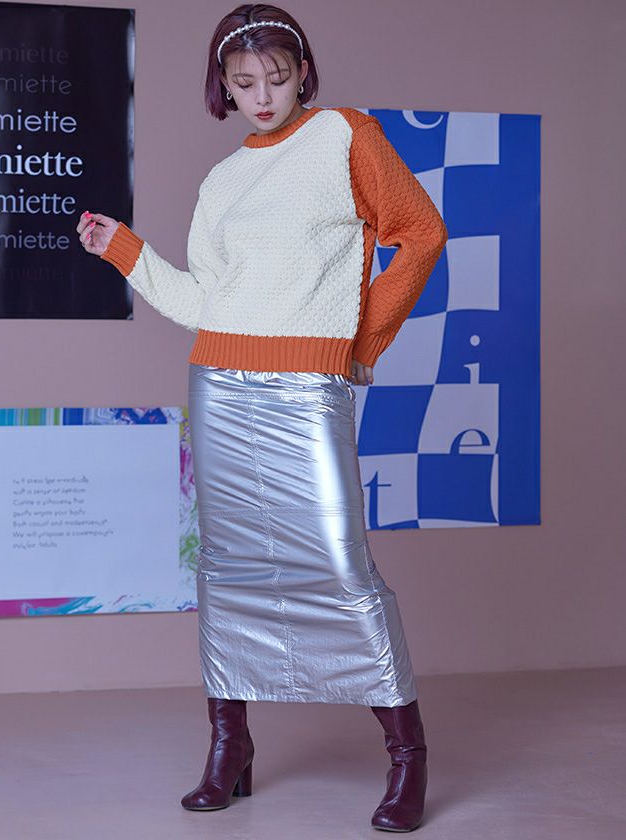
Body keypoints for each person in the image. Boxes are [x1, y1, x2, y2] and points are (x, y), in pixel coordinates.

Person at [76, 4, 447, 832]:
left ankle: (408, 755)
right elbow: (202, 302)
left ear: (304, 72)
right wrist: (124, 249)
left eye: (278, 77)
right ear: (225, 89)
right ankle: (229, 744)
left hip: (307, 384)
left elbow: (421, 233)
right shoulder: (222, 181)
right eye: (245, 84)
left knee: (342, 566)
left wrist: (363, 343)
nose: (265, 96)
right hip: (220, 385)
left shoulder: (346, 135)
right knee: (228, 565)